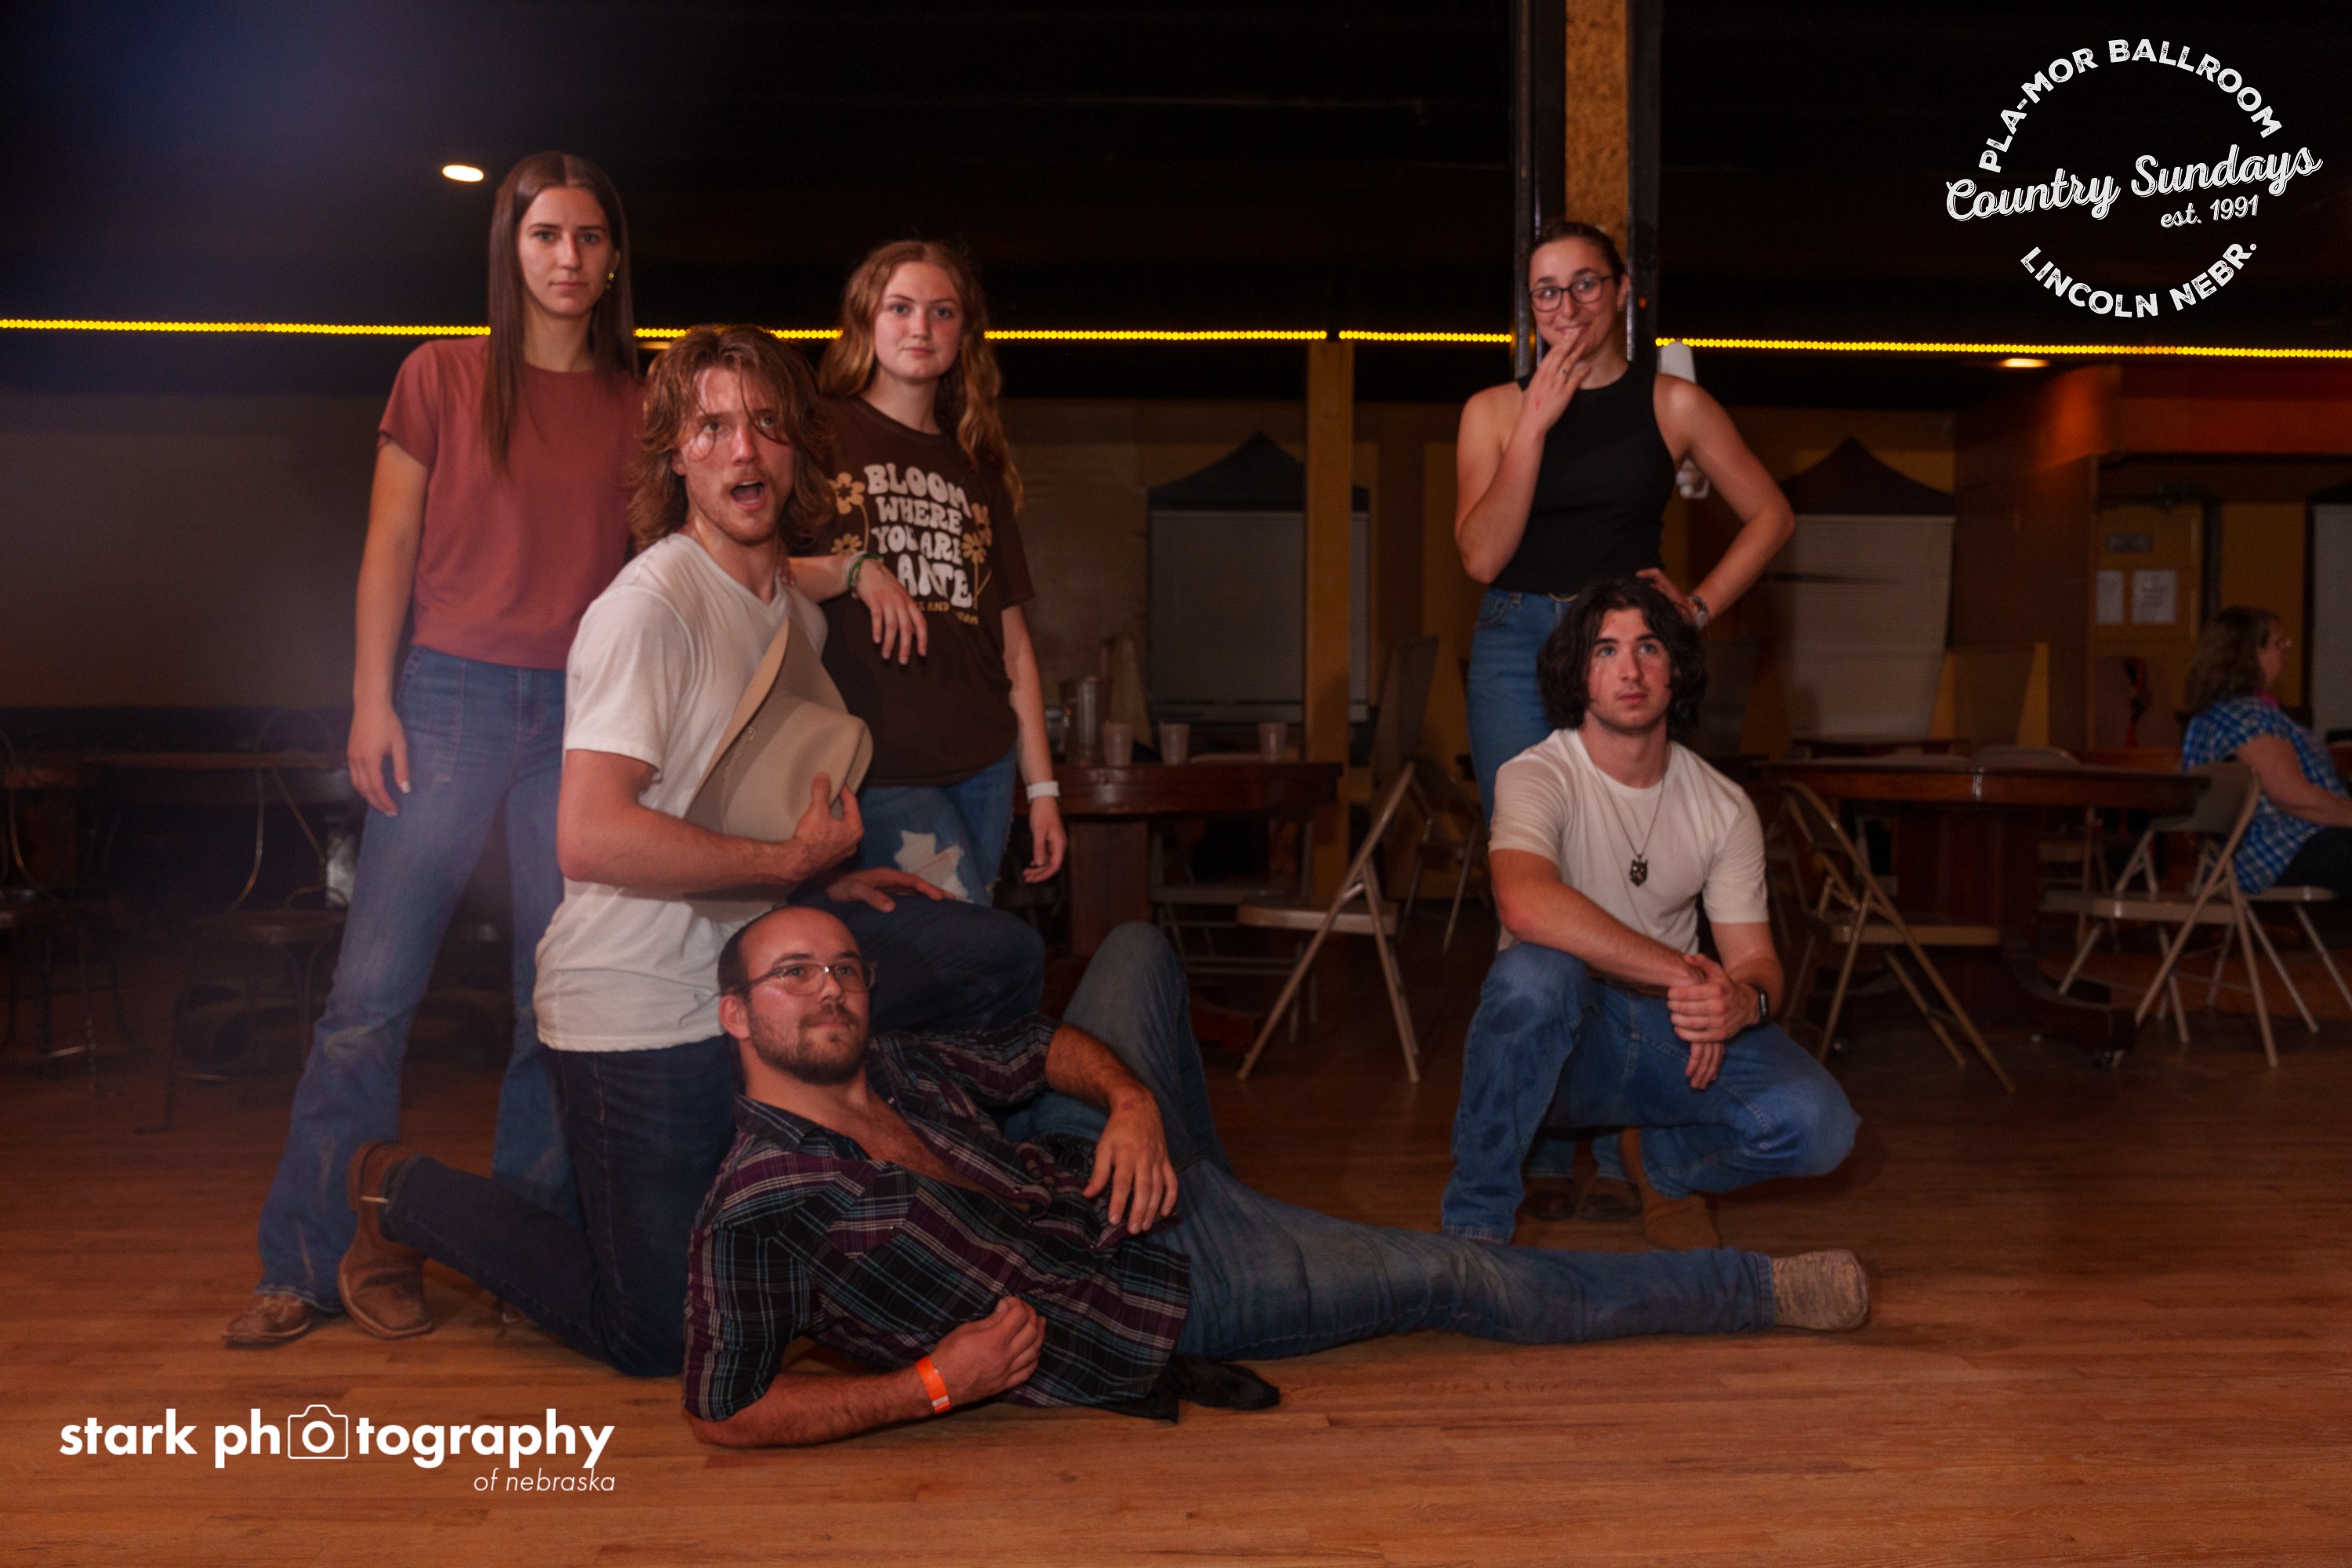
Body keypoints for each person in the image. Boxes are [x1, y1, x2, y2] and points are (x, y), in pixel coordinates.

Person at [328, 325, 1045, 1377]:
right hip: (637, 1000)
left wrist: (823, 874)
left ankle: (983, 1204)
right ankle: (399, 1190)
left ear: (797, 449)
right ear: (676, 455)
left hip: (746, 977)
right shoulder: (646, 610)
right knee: (658, 1335)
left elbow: (744, 762)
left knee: (995, 958)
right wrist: (784, 867)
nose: (742, 450)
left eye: (766, 424)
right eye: (711, 427)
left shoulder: (786, 609)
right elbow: (589, 835)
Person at [657, 909, 1868, 1447]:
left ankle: (1194, 1157)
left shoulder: (897, 1064)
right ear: (735, 1015)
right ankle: (1753, 1289)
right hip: (1162, 1291)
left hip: (1095, 1177)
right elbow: (722, 1412)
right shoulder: (761, 1205)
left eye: (844, 970)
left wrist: (1133, 1106)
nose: (830, 991)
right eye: (794, 975)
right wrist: (933, 1384)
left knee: (1135, 948)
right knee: (1462, 1278)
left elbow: (1036, 1047)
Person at [229, 153, 645, 1348]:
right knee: (369, 999)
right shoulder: (440, 374)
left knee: (555, 1002)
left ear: (615, 259)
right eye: (545, 234)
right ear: (511, 249)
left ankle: (521, 1260)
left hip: (584, 715)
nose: (567, 256)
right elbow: (390, 547)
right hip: (448, 696)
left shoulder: (639, 399)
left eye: (589, 237)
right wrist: (372, 701)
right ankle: (308, 1263)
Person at [1441, 576, 1857, 1250]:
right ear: (1578, 674)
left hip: (1674, 1038)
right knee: (1534, 975)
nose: (1629, 670)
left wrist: (1742, 1001)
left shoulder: (1723, 805)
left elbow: (1756, 961)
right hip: (1567, 1045)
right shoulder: (1535, 774)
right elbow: (1524, 902)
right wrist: (1684, 975)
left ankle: (1659, 1162)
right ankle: (1473, 1235)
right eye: (1605, 650)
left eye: (1649, 647)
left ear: (1677, 669)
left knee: (1821, 1125)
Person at [1454, 218, 1795, 820]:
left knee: (1623, 832)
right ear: (1532, 305)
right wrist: (1532, 427)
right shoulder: (1492, 411)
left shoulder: (1675, 404)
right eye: (1548, 291)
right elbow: (1481, 558)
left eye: (1585, 284)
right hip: (1516, 640)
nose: (1567, 307)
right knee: (1522, 837)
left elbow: (1772, 515)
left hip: (1625, 643)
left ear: (1621, 291)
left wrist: (1698, 608)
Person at [792, 239, 1065, 906]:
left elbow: (1014, 646)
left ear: (963, 334)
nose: (921, 327)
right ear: (865, 320)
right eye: (901, 308)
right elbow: (752, 575)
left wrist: (1044, 790)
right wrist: (854, 569)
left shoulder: (976, 466)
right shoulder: (818, 436)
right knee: (963, 935)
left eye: (942, 312)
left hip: (986, 762)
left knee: (953, 951)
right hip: (879, 762)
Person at [2180, 605, 2352, 897]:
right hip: (2275, 850)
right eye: (2278, 643)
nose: (2286, 650)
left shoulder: (2228, 711)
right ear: (2247, 653)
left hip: (2283, 844)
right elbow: (2293, 798)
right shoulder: (2244, 717)